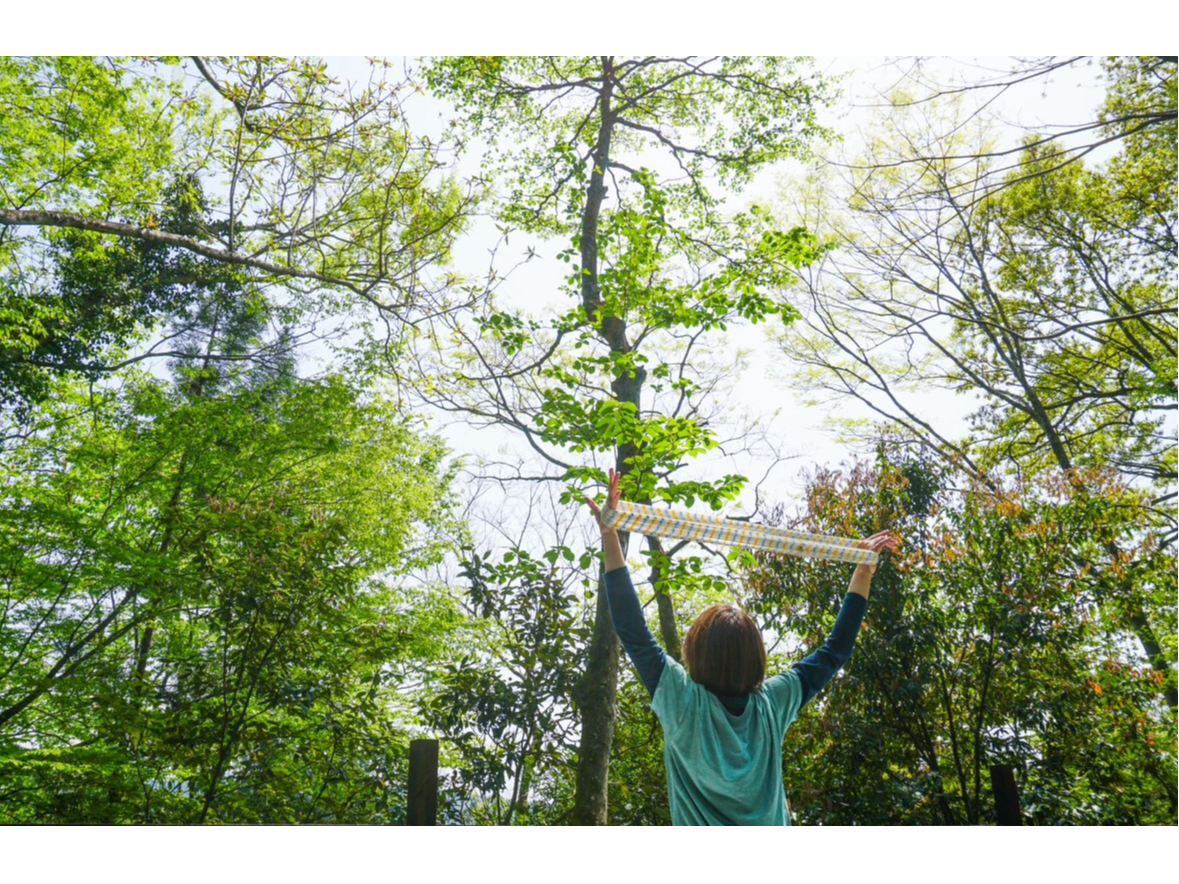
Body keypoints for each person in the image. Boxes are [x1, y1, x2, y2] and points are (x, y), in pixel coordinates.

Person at [585, 468, 898, 826]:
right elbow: (834, 652)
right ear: (756, 658)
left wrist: (610, 535)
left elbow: (631, 629)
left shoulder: (683, 703)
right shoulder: (771, 704)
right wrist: (862, 572)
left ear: (694, 653)